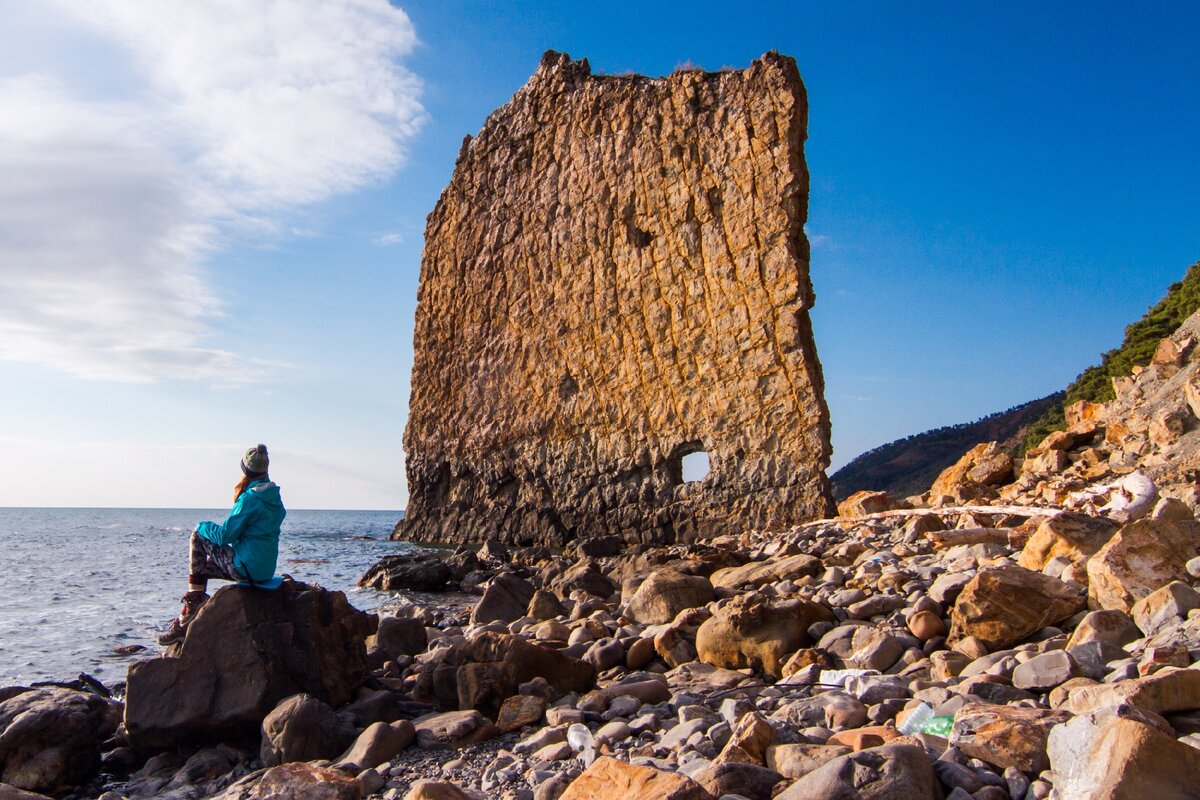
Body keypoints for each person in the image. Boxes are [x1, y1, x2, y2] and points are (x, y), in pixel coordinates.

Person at [158, 444, 286, 645]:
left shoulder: (250, 499)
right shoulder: (274, 497)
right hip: (265, 570)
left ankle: (191, 609)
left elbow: (224, 535)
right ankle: (194, 603)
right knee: (204, 568)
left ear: (245, 468)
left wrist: (202, 526)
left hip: (245, 569)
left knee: (198, 536)